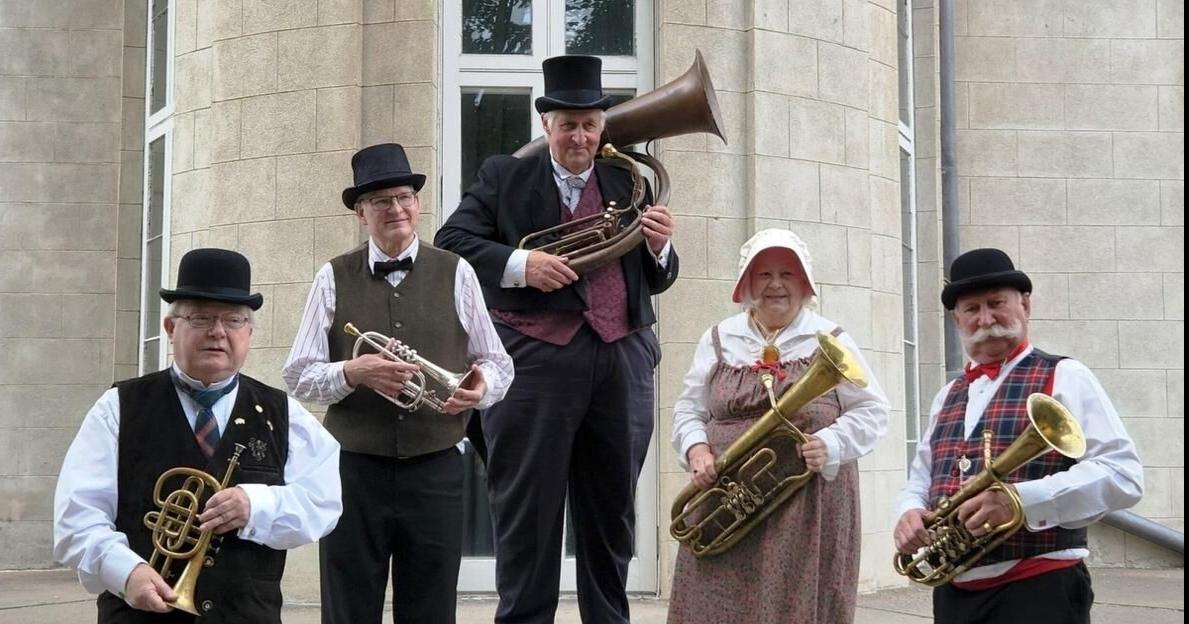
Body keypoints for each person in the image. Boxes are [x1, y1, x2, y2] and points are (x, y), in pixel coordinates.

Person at [434, 54, 677, 623]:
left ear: (602, 126)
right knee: (529, 513)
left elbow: (656, 277)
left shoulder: (628, 180)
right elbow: (451, 241)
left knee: (612, 513)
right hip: (533, 362)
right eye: (567, 124)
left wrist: (661, 247)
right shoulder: (505, 175)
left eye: (589, 124)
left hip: (621, 359)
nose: (580, 137)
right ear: (546, 125)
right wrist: (522, 265)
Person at [282, 143, 514, 624]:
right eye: (381, 200)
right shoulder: (332, 276)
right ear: (361, 212)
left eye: (404, 196)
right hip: (353, 469)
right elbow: (298, 374)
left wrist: (480, 388)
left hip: (436, 467)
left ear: (418, 202)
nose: (396, 208)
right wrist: (353, 372)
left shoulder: (457, 271)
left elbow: (497, 362)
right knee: (347, 608)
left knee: (431, 610)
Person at [53, 248, 343, 623]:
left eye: (233, 320)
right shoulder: (117, 407)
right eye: (201, 317)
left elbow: (323, 503)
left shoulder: (283, 414)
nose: (218, 332)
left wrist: (255, 505)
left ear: (249, 334)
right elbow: (77, 518)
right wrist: (126, 572)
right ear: (171, 328)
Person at [893, 247, 1144, 624]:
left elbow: (1123, 475)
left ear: (1025, 305)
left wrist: (1019, 502)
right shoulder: (947, 395)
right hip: (953, 595)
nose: (985, 318)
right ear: (957, 319)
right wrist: (908, 511)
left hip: (1038, 589)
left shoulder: (1066, 375)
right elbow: (921, 479)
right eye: (971, 308)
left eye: (996, 303)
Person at [667, 228, 890, 624]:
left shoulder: (830, 338)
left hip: (807, 507)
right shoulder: (718, 338)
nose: (775, 285)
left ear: (805, 283)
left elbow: (873, 410)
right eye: (764, 274)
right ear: (747, 283)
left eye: (787, 274)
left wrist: (831, 442)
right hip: (726, 502)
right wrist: (696, 449)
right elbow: (689, 408)